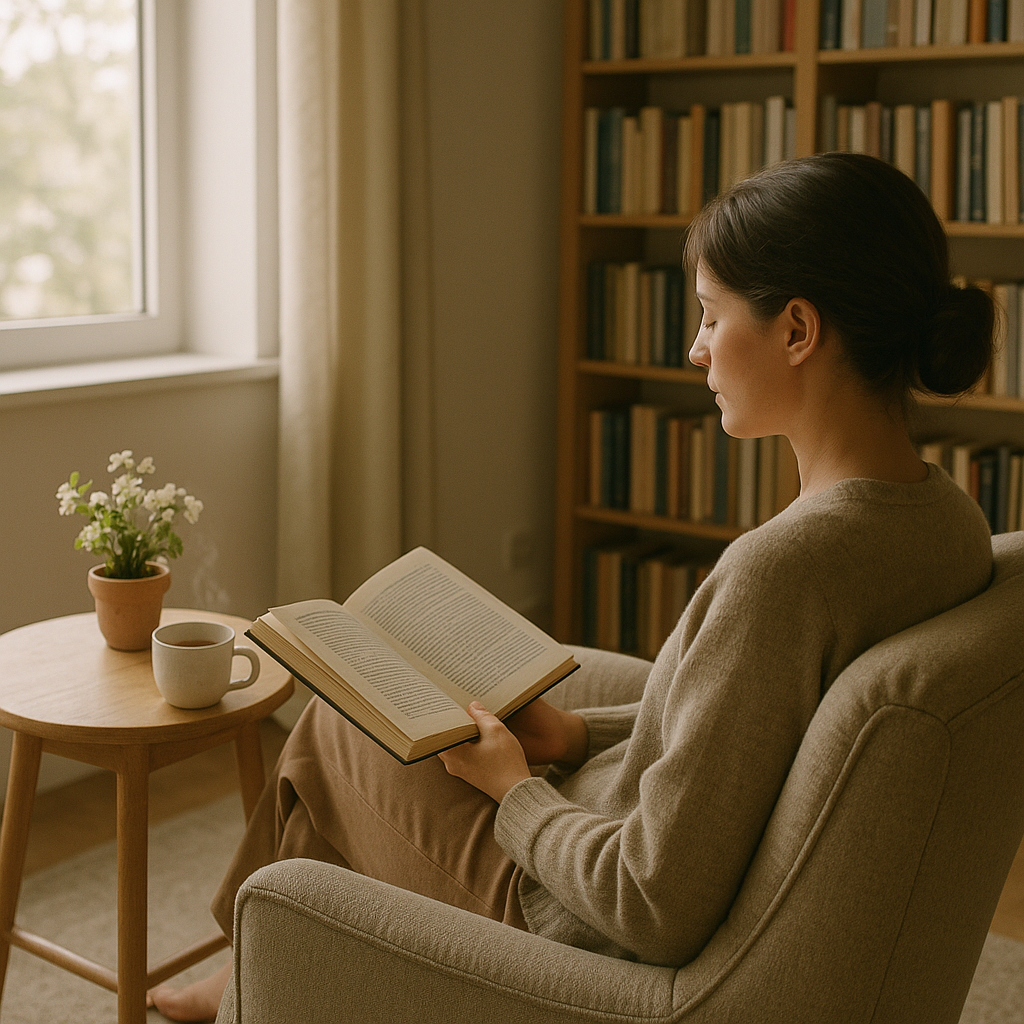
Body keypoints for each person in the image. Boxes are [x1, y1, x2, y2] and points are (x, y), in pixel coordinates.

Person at [149, 152, 996, 1021]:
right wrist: (575, 734)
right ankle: (258, 976)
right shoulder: (949, 523)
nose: (696, 346)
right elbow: (760, 731)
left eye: (711, 315)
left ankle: (254, 972)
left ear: (798, 330)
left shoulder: (781, 574)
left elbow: (651, 902)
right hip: (620, 833)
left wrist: (512, 790)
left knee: (333, 727)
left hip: (578, 920)